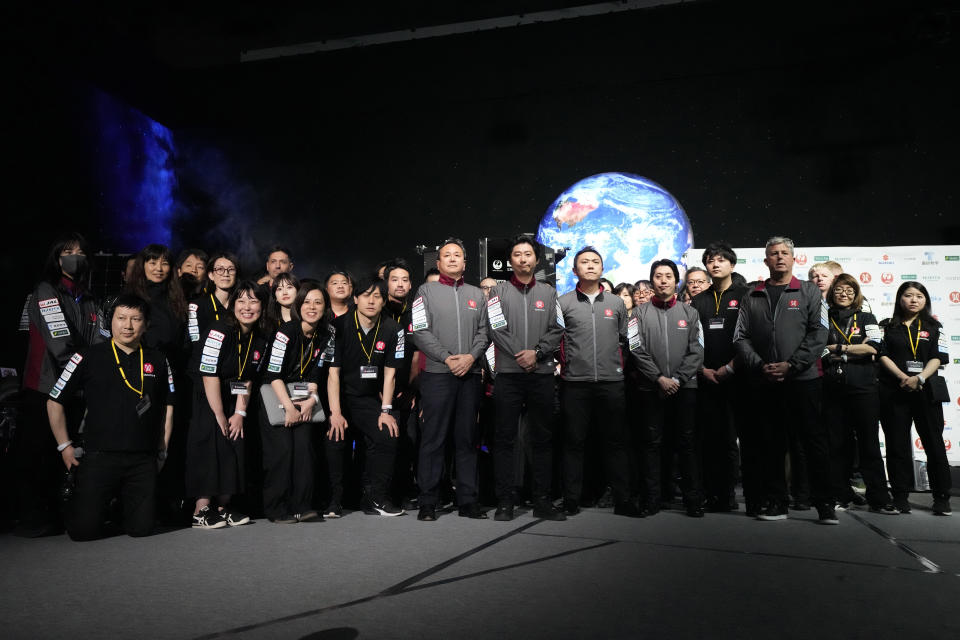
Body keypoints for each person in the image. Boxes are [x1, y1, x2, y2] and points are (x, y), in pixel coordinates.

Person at [48, 294, 174, 540]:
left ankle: (120, 508)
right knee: (83, 532)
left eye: (136, 319)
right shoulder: (86, 356)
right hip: (99, 455)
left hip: (141, 458)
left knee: (142, 529)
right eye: (121, 318)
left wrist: (163, 449)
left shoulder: (158, 359)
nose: (128, 325)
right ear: (110, 322)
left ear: (146, 324)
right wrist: (64, 446)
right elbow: (54, 401)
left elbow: (169, 407)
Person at [734, 236, 834, 524]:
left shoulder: (809, 292)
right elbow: (740, 337)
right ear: (766, 261)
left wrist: (792, 365)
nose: (779, 257)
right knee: (771, 444)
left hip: (804, 379)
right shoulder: (752, 294)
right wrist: (761, 366)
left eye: (784, 253)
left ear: (793, 259)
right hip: (765, 382)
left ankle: (824, 504)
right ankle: (776, 503)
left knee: (813, 443)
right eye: (773, 254)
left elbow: (819, 334)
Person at [16, 232, 106, 536]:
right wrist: (89, 371)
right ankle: (30, 518)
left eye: (81, 252)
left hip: (75, 389)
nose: (75, 257)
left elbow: (99, 339)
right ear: (57, 258)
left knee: (65, 455)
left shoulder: (89, 297)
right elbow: (60, 344)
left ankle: (58, 513)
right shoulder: (46, 291)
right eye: (68, 252)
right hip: (44, 386)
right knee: (37, 452)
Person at [486, 235, 565, 521]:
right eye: (517, 254)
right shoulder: (497, 292)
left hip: (541, 374)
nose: (522, 259)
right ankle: (505, 501)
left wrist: (537, 352)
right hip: (508, 374)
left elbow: (558, 328)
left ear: (536, 260)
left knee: (542, 439)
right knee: (505, 439)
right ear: (511, 261)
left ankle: (542, 500)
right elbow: (495, 328)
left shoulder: (549, 292)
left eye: (528, 254)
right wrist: (521, 354)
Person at [557, 247, 640, 517]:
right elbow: (557, 339)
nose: (590, 266)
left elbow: (626, 340)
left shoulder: (615, 303)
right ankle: (571, 499)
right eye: (584, 262)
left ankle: (623, 500)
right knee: (573, 443)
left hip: (610, 382)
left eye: (595, 262)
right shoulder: (564, 302)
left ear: (602, 269)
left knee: (616, 443)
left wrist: (618, 367)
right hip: (575, 383)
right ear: (574, 270)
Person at [411, 238, 489, 521]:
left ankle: (468, 501)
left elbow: (484, 332)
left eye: (458, 255)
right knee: (433, 439)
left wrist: (470, 357)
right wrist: (446, 357)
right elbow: (420, 330)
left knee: (467, 439)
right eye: (447, 255)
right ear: (439, 262)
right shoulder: (425, 291)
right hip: (437, 375)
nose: (453, 259)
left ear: (465, 263)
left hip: (470, 375)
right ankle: (428, 501)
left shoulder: (477, 295)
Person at [186, 281, 268, 529]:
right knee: (210, 446)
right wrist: (220, 413)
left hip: (235, 397)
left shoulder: (259, 337)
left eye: (253, 301)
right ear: (232, 305)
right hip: (209, 396)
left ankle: (223, 507)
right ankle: (201, 510)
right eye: (241, 301)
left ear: (262, 306)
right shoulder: (218, 330)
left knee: (234, 446)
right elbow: (208, 373)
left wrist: (239, 413)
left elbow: (249, 378)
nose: (247, 307)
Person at [326, 277, 406, 516]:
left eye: (378, 296)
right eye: (366, 295)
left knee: (387, 433)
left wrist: (385, 411)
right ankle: (334, 500)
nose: (371, 301)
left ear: (384, 301)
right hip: (338, 396)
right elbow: (333, 375)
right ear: (355, 298)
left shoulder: (394, 329)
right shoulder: (337, 326)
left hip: (368, 399)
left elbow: (390, 376)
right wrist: (336, 413)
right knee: (335, 437)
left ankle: (376, 498)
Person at [632, 259, 704, 517]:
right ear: (652, 281)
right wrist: (659, 379)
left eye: (668, 276)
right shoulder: (637, 314)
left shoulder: (690, 313)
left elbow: (697, 350)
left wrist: (678, 380)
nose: (663, 280)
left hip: (685, 388)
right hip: (651, 389)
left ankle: (692, 500)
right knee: (652, 444)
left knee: (686, 443)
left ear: (676, 281)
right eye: (658, 276)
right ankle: (652, 499)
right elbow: (635, 349)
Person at [822, 274, 894, 514]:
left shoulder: (867, 317)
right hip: (832, 388)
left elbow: (874, 346)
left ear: (856, 293)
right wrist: (856, 349)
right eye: (839, 290)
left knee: (869, 444)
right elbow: (818, 348)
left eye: (849, 290)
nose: (844, 294)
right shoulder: (824, 316)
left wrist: (840, 349)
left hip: (864, 388)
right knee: (837, 445)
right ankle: (840, 495)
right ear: (832, 293)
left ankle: (880, 499)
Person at [878, 281, 951, 515]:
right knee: (897, 444)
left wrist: (918, 378)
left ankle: (941, 498)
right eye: (908, 295)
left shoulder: (934, 326)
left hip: (926, 390)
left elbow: (938, 358)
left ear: (925, 301)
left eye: (919, 296)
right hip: (894, 390)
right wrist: (902, 376)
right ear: (900, 299)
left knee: (934, 444)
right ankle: (900, 495)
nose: (913, 300)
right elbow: (881, 355)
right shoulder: (886, 326)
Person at [689, 242, 751, 514]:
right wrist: (702, 369)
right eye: (710, 260)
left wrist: (731, 368)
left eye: (721, 260)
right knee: (712, 440)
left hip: (739, 377)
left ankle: (747, 496)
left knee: (741, 440)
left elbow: (752, 336)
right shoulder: (699, 300)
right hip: (706, 378)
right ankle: (716, 495)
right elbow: (691, 340)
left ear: (732, 265)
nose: (715, 264)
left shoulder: (746, 295)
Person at [260, 282, 328, 523]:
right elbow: (272, 374)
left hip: (304, 398)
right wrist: (289, 408)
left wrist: (312, 400)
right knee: (282, 452)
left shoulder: (326, 334)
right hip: (275, 396)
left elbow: (318, 372)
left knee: (304, 450)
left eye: (318, 302)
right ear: (299, 305)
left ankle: (302, 505)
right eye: (307, 302)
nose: (312, 307)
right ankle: (276, 508)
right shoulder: (285, 332)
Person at [383, 260, 420, 505]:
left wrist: (411, 388)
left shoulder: (415, 313)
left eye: (405, 279)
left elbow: (417, 354)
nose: (400, 284)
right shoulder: (377, 311)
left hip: (408, 389)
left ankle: (404, 488)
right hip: (380, 391)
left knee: (409, 440)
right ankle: (381, 491)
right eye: (395, 279)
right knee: (385, 442)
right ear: (386, 282)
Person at [124, 244, 188, 371]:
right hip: (141, 365)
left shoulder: (177, 298)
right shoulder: (131, 297)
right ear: (142, 266)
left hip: (174, 367)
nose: (159, 268)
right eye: (153, 263)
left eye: (164, 263)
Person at [188, 252, 238, 344]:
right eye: (220, 269)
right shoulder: (198, 306)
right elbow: (192, 342)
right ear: (211, 275)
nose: (226, 274)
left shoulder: (240, 305)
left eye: (231, 270)